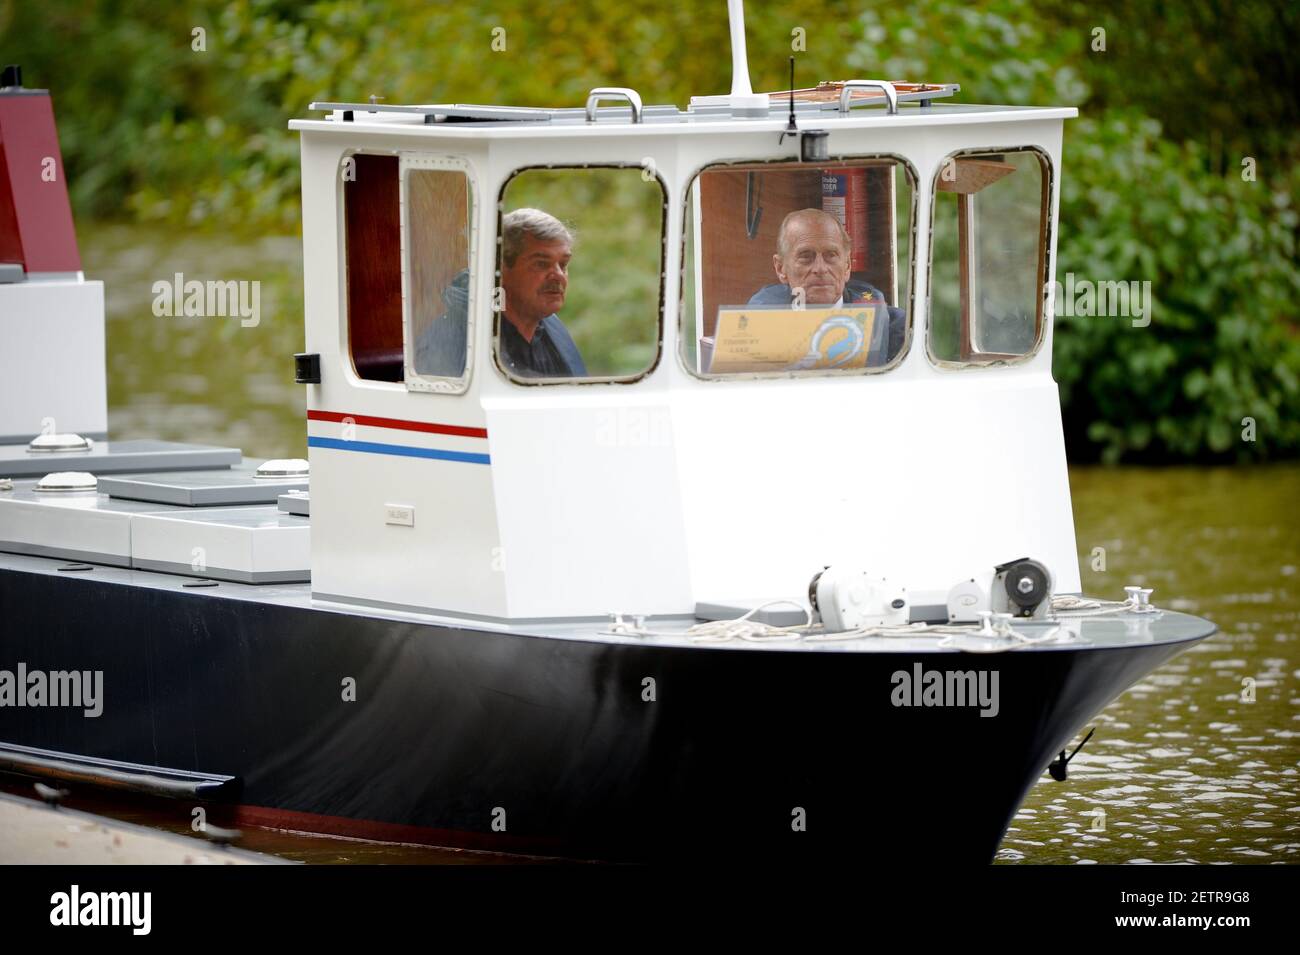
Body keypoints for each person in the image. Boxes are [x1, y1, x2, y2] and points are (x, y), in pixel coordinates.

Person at [413, 207, 587, 380]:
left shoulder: (554, 331)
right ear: (499, 270)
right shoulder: (450, 345)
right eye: (541, 264)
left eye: (563, 264)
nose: (558, 275)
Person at [747, 208, 906, 362]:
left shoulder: (897, 331)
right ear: (780, 268)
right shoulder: (756, 326)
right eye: (806, 257)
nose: (820, 269)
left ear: (847, 266)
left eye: (831, 255)